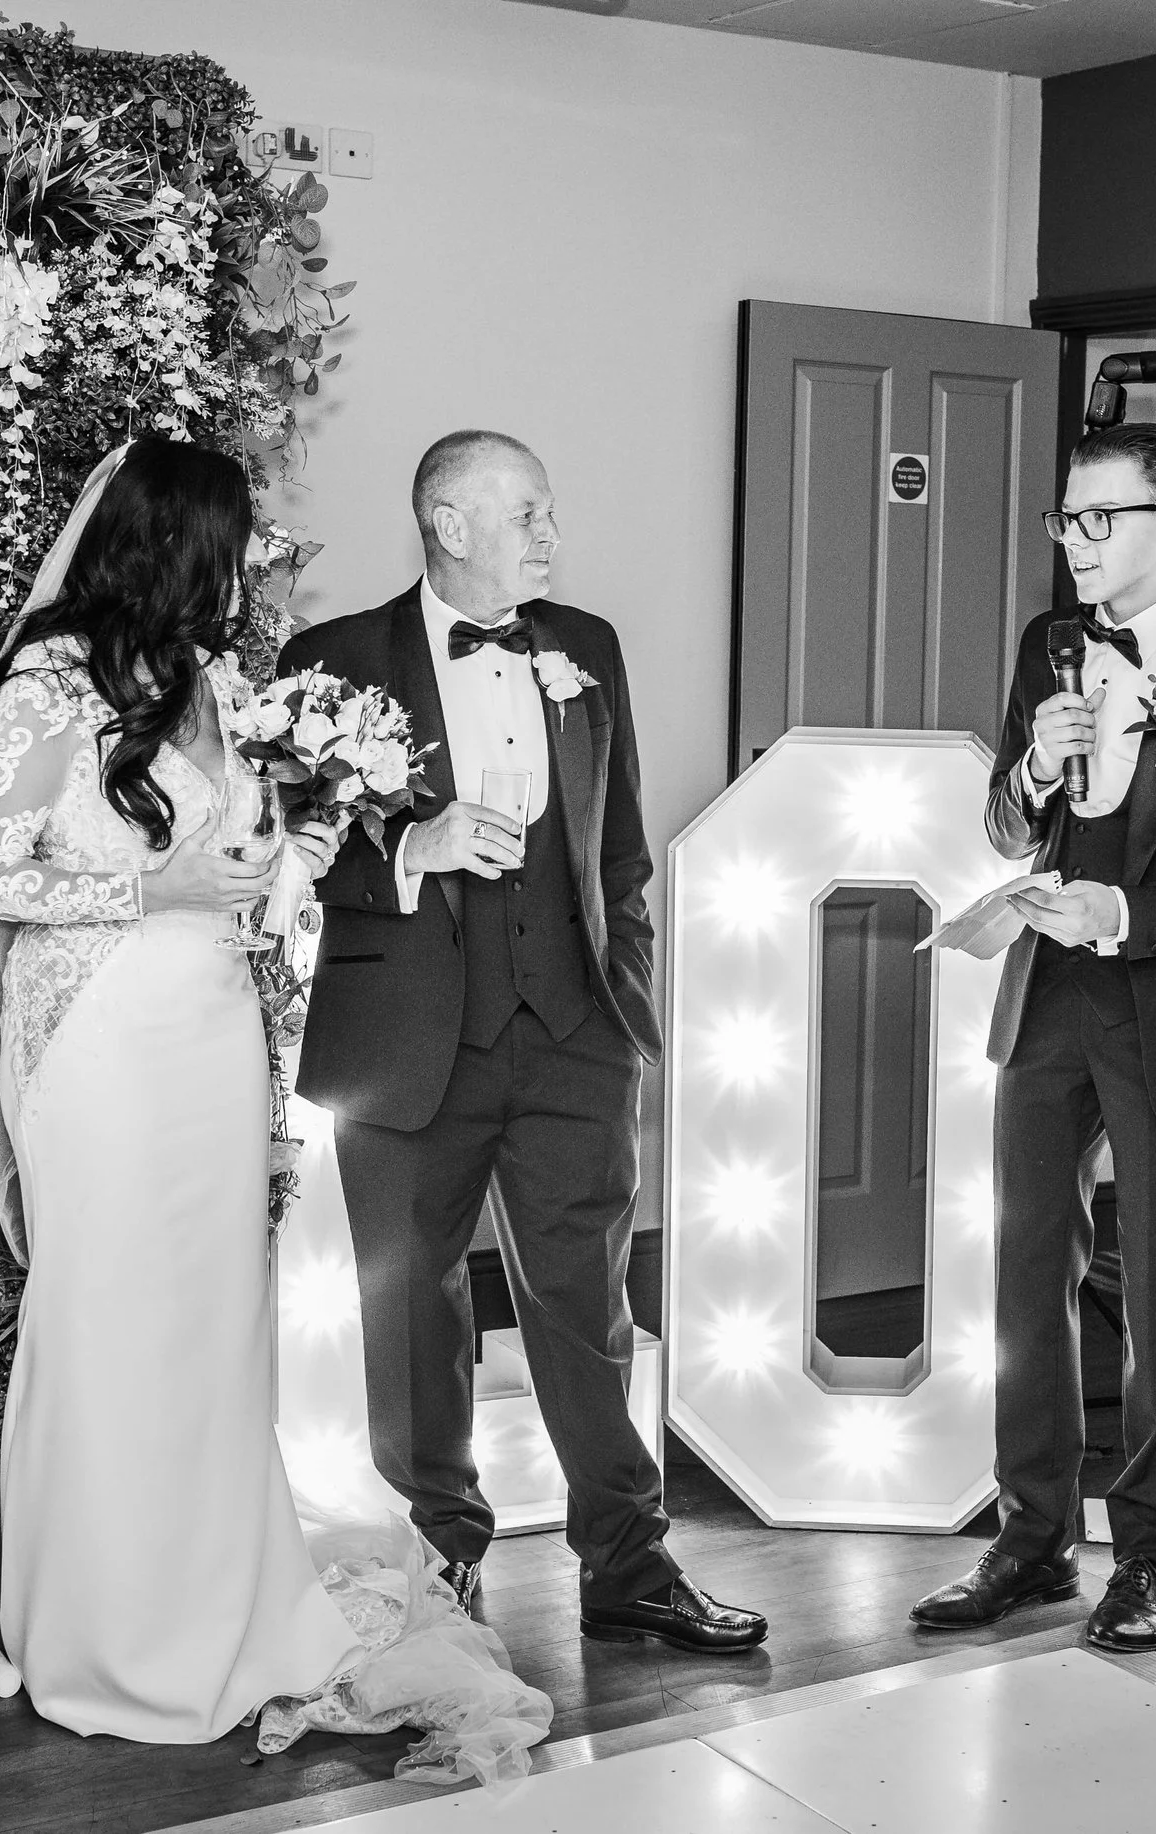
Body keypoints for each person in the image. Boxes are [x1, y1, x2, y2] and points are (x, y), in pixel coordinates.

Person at [0, 436, 551, 1778]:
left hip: (218, 1040)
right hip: (103, 1040)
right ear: (176, 539)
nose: (254, 561)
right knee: (111, 1327)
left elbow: (268, 866)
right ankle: (105, 1634)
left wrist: (332, 827)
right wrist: (151, 895)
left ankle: (223, 1606)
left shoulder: (229, 684)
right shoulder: (52, 678)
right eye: (236, 536)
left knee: (218, 1333)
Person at [277, 431, 764, 1654]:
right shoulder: (327, 663)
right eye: (528, 513)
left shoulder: (584, 647)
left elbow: (620, 852)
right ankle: (438, 1559)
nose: (551, 537)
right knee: (411, 1314)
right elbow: (287, 853)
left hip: (573, 1037)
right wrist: (411, 849)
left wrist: (628, 1012)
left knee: (587, 1303)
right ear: (448, 521)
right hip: (402, 1041)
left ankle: (629, 1563)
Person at [912, 423, 1156, 1653]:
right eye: (1064, 522)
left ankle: (1146, 1552)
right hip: (1048, 1004)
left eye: (1100, 519)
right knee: (1025, 1276)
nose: (1074, 544)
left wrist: (1127, 912)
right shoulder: (1047, 646)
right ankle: (1030, 1541)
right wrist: (1031, 768)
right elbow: (1004, 827)